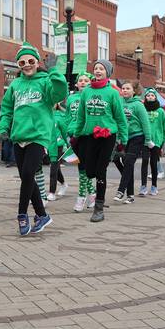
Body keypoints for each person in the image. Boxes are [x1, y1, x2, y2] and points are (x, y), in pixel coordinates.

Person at [0, 42, 66, 235]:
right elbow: (7, 109)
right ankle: (42, 215)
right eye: (22, 62)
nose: (26, 65)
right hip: (19, 136)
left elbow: (59, 93)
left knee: (28, 175)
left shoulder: (45, 81)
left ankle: (21, 214)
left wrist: (54, 71)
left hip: (38, 136)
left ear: (37, 62)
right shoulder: (15, 85)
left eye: (30, 61)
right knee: (27, 178)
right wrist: (4, 127)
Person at [70, 60, 127, 223]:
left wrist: (123, 138)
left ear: (107, 72)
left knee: (101, 171)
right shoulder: (86, 92)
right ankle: (94, 196)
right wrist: (76, 134)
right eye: (96, 68)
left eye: (101, 68)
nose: (98, 71)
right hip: (88, 136)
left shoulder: (113, 93)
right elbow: (81, 115)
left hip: (107, 136)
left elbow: (120, 118)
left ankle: (98, 208)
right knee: (89, 171)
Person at [113, 81, 151, 205]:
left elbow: (145, 123)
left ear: (134, 91)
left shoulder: (138, 105)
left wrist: (148, 139)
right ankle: (130, 195)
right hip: (124, 138)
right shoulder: (119, 103)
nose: (124, 90)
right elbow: (117, 120)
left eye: (127, 88)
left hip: (137, 137)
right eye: (123, 88)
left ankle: (121, 190)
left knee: (129, 162)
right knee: (118, 160)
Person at [65, 73, 96, 212]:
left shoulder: (91, 97)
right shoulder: (71, 98)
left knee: (83, 168)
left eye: (86, 80)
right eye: (80, 81)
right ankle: (93, 194)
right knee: (81, 168)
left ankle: (81, 197)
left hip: (86, 135)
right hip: (73, 135)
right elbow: (67, 117)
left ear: (90, 83)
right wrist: (67, 133)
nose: (83, 82)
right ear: (76, 84)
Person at [139, 88, 165, 197]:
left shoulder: (161, 111)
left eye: (152, 95)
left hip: (157, 140)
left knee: (153, 163)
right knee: (144, 161)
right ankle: (143, 186)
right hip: (144, 140)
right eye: (148, 96)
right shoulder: (142, 109)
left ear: (155, 97)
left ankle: (154, 186)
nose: (150, 97)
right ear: (145, 98)